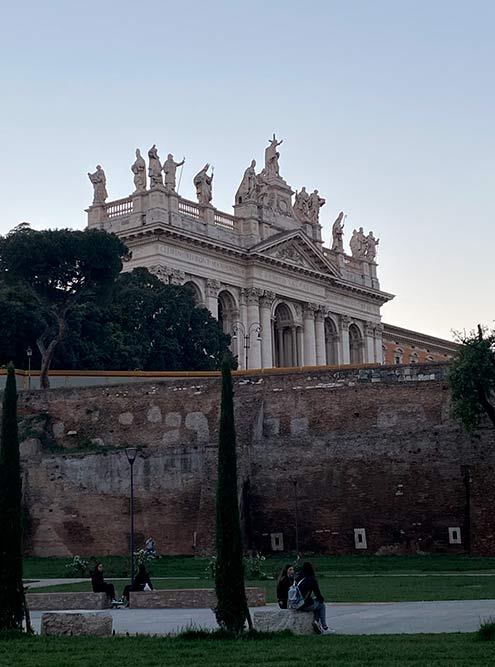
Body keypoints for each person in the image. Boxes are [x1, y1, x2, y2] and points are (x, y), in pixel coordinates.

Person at [295, 561, 333, 634]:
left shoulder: (297, 577)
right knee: (321, 605)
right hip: (303, 604)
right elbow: (318, 594)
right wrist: (321, 599)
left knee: (315, 602)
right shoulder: (311, 579)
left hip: (295, 603)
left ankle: (316, 621)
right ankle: (324, 627)